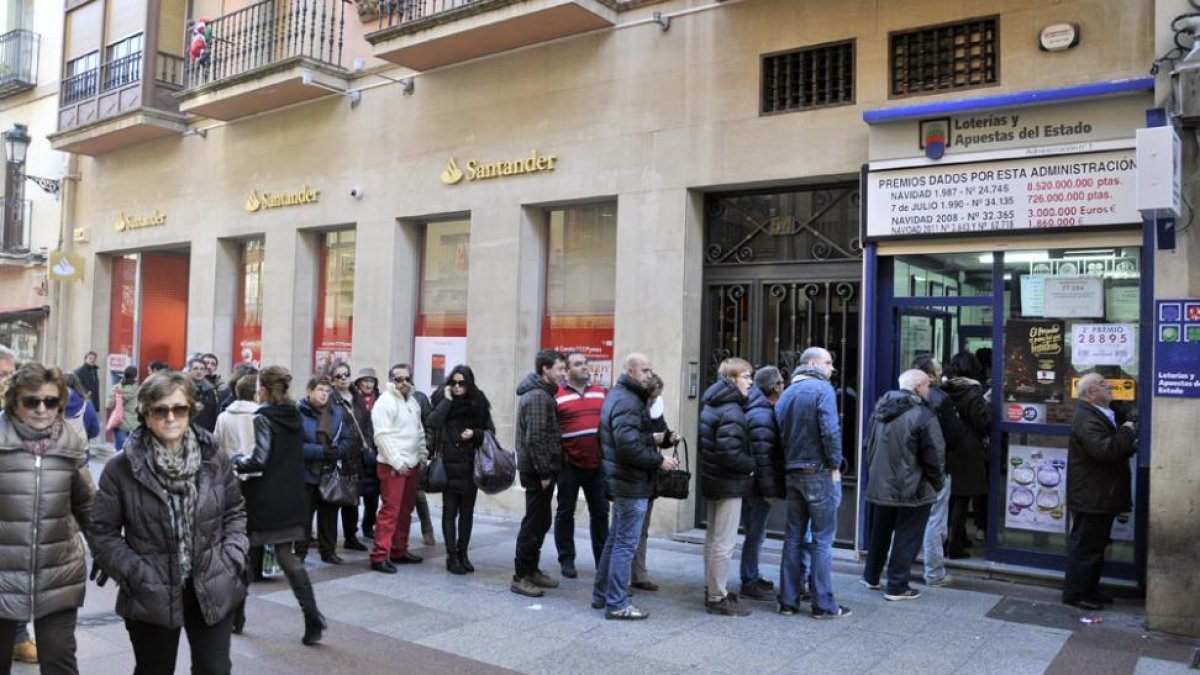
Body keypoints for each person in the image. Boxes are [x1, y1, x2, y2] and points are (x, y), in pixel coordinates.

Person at [89, 370, 248, 672]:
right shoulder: (121, 467)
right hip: (152, 590)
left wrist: (232, 556)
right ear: (146, 415)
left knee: (215, 669)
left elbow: (234, 511)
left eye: (179, 408)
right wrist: (137, 574)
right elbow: (102, 532)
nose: (171, 417)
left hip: (212, 580)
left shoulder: (214, 458)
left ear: (191, 410)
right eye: (160, 410)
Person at [0, 362, 94, 672]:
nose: (42, 409)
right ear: (15, 401)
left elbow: (88, 506)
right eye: (32, 401)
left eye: (51, 401)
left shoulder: (70, 444)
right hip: (2, 573)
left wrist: (111, 555)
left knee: (59, 660)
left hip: (59, 572)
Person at [233, 366, 328, 644]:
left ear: (262, 388)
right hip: (292, 493)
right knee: (288, 557)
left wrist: (239, 460)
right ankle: (313, 618)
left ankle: (236, 618)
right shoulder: (294, 414)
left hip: (265, 494)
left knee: (246, 552)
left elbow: (259, 458)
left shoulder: (263, 416)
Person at [592, 353, 678, 620]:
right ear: (630, 371)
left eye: (650, 370)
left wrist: (657, 437)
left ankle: (602, 595)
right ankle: (617, 603)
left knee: (615, 541)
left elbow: (628, 436)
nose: (649, 375)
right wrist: (658, 461)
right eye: (644, 370)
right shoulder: (627, 400)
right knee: (624, 544)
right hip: (630, 481)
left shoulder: (623, 396)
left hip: (624, 480)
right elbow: (627, 446)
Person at [774, 347, 850, 619]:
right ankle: (823, 604)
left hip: (793, 471)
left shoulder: (787, 393)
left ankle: (788, 601)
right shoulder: (822, 389)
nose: (832, 369)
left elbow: (778, 433)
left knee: (793, 536)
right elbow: (830, 430)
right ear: (814, 364)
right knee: (822, 540)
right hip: (817, 471)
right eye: (829, 363)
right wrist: (834, 465)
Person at [861, 369, 945, 602]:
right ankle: (897, 586)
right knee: (908, 536)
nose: (929, 390)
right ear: (918, 387)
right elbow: (934, 455)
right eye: (927, 385)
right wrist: (937, 484)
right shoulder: (923, 415)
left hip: (882, 483)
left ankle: (871, 576)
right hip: (913, 486)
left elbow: (869, 445)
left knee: (880, 531)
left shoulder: (880, 410)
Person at [1062, 373, 1137, 611]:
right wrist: (1126, 432)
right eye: (1103, 385)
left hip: (1100, 491)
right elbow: (1103, 450)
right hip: (1091, 493)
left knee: (1096, 546)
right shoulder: (1086, 416)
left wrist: (1125, 442)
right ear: (1091, 393)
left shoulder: (1103, 412)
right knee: (1086, 547)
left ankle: (1090, 589)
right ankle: (1076, 594)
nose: (1109, 387)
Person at [698, 358, 757, 617]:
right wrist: (751, 465)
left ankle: (713, 588)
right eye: (746, 376)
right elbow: (729, 452)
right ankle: (717, 596)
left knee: (713, 539)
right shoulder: (731, 409)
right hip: (728, 481)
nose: (750, 382)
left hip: (714, 478)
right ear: (732, 378)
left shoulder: (713, 404)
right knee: (724, 541)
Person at [426, 365, 494, 575]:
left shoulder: (479, 402)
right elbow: (432, 422)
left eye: (461, 383)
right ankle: (451, 556)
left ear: (469, 384)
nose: (457, 387)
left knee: (466, 514)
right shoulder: (441, 399)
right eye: (453, 382)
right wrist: (446, 400)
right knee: (449, 512)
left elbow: (490, 431)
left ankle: (463, 553)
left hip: (470, 465)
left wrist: (475, 434)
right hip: (448, 465)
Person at [511, 349, 566, 597]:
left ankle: (531, 569)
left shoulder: (544, 394)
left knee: (542, 520)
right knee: (533, 523)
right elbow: (535, 439)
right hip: (537, 471)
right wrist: (544, 472)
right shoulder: (537, 397)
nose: (563, 372)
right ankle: (521, 576)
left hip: (542, 469)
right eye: (559, 368)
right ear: (545, 369)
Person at [553, 352, 608, 579]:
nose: (585, 367)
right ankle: (567, 559)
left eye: (586, 363)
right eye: (578, 364)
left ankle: (602, 561)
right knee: (565, 512)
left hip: (597, 465)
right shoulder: (557, 395)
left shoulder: (601, 392)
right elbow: (552, 430)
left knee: (601, 514)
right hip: (569, 465)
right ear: (566, 371)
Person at [369, 363, 428, 573]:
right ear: (391, 380)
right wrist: (397, 462)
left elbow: (419, 431)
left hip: (411, 464)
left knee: (405, 511)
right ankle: (379, 555)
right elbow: (382, 436)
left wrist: (422, 455)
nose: (403, 382)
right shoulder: (384, 402)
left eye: (406, 378)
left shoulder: (412, 401)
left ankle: (399, 550)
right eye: (398, 379)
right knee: (390, 511)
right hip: (392, 466)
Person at [912, 356, 961, 587]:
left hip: (908, 468)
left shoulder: (899, 398)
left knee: (906, 517)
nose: (942, 375)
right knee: (935, 519)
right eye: (938, 370)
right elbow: (953, 436)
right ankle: (934, 572)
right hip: (936, 467)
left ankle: (894, 564)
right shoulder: (941, 399)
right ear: (928, 376)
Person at [296, 375, 354, 564]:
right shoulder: (298, 411)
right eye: (320, 390)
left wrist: (338, 451)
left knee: (329, 515)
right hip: (305, 473)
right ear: (310, 391)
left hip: (329, 472)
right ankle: (300, 553)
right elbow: (295, 446)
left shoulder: (336, 412)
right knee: (303, 516)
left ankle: (328, 551)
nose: (324, 394)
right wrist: (321, 451)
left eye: (328, 391)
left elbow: (347, 438)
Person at [630, 373, 678, 593]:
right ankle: (621, 579)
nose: (655, 399)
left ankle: (638, 575)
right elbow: (632, 443)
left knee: (642, 529)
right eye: (653, 395)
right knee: (627, 531)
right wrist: (658, 452)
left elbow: (661, 434)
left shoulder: (654, 406)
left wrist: (670, 438)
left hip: (648, 472)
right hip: (632, 475)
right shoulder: (630, 407)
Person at [739, 366, 783, 601]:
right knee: (755, 533)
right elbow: (763, 458)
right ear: (774, 386)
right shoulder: (762, 414)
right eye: (781, 382)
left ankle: (752, 574)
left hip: (753, 483)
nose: (783, 386)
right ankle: (749, 580)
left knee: (756, 532)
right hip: (756, 486)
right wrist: (769, 490)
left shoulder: (759, 409)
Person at [941, 352, 990, 558]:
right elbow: (983, 422)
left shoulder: (943, 388)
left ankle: (952, 538)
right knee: (963, 498)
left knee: (951, 497)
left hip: (947, 446)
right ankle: (955, 545)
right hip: (968, 449)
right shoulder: (972, 391)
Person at [328, 362, 369, 552]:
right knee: (337, 497)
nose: (343, 378)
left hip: (357, 455)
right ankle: (329, 541)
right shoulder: (331, 399)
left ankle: (351, 536)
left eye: (346, 375)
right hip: (340, 455)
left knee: (353, 499)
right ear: (332, 380)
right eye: (338, 376)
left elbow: (367, 423)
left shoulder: (357, 398)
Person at [352, 368, 381, 539]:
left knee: (373, 495)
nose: (369, 384)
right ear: (358, 383)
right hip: (356, 453)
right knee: (354, 496)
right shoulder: (353, 400)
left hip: (375, 452)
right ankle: (352, 531)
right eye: (365, 380)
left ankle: (368, 525)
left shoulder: (382, 399)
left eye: (372, 381)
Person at [64, 371, 101, 445]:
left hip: (58, 451)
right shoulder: (87, 404)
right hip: (80, 450)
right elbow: (95, 431)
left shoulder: (53, 404)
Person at [110, 365, 139, 451]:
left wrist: (115, 392)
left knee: (120, 451)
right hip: (134, 424)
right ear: (135, 377)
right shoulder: (137, 389)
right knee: (131, 452)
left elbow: (109, 404)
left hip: (120, 423)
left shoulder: (118, 389)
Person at [187, 358, 220, 433]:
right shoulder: (184, 388)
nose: (199, 371)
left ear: (205, 372)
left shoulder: (211, 390)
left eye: (202, 369)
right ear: (189, 370)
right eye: (195, 368)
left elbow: (215, 412)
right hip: (188, 431)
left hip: (207, 432)